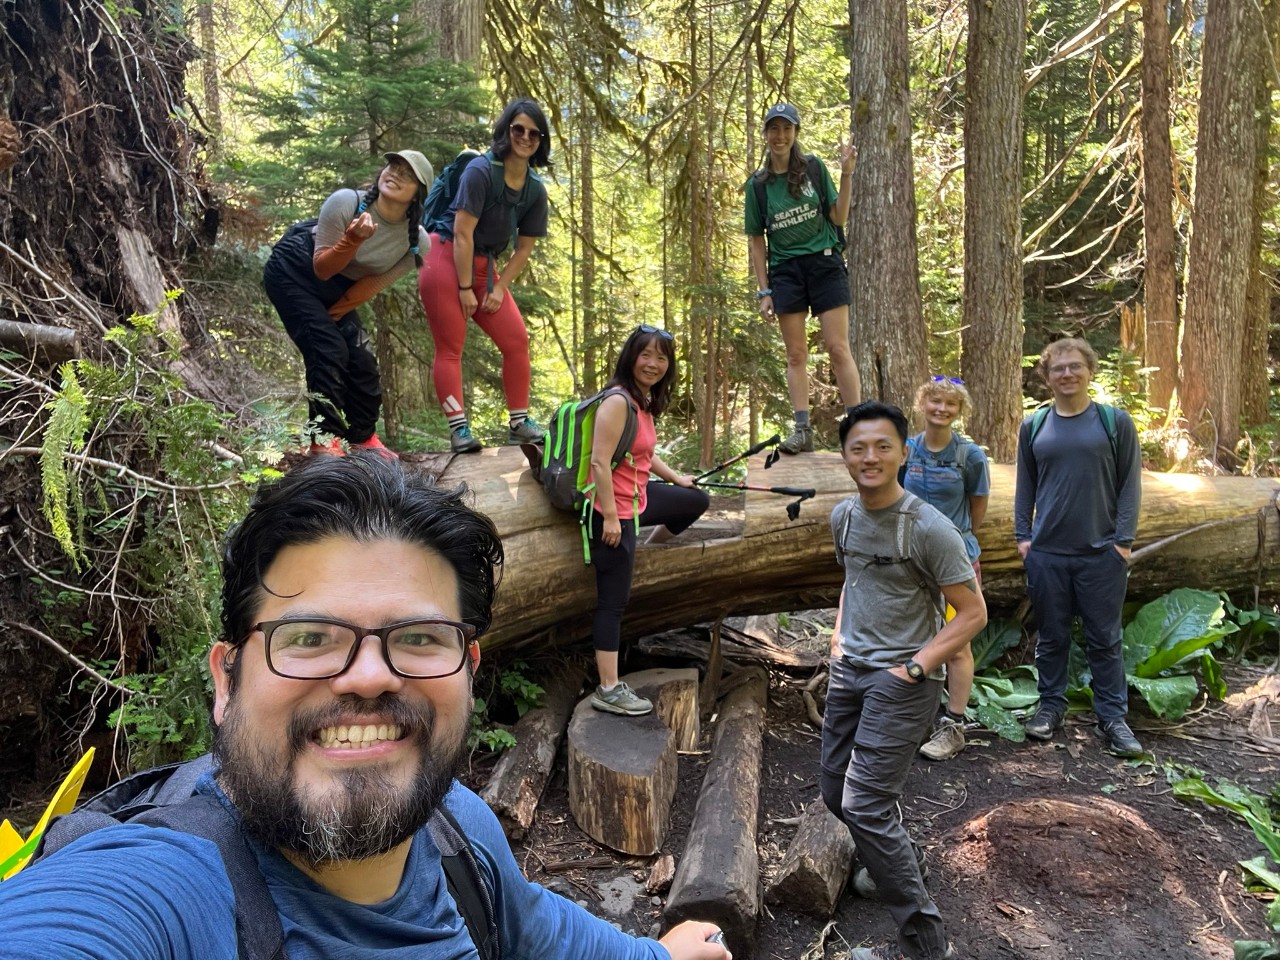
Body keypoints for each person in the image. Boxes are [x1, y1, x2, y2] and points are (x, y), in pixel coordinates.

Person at [0, 454, 732, 960]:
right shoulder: (160, 893)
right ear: (227, 679)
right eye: (311, 636)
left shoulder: (457, 837)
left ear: (467, 671)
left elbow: (544, 933)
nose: (372, 676)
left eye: (417, 638)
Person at [823, 401, 986, 960]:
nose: (870, 457)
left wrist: (917, 666)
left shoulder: (928, 527)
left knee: (865, 803)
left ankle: (924, 938)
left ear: (903, 453)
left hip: (903, 681)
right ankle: (897, 864)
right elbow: (853, 580)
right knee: (833, 789)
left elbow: (972, 613)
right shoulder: (844, 517)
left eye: (882, 446)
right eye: (858, 447)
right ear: (845, 456)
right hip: (851, 671)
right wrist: (838, 637)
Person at [1015, 337, 1144, 758]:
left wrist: (1123, 543)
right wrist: (1023, 538)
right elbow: (1025, 485)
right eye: (1058, 368)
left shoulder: (1114, 422)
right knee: (1051, 637)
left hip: (1102, 553)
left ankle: (1113, 718)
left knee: (1104, 639)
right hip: (1048, 553)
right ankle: (1050, 707)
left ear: (1090, 371)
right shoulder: (1034, 426)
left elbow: (1130, 486)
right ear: (1047, 377)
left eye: (1075, 366)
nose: (1067, 374)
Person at [264, 150, 435, 458]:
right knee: (326, 347)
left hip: (340, 289)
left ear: (418, 194)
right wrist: (353, 239)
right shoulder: (346, 202)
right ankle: (324, 440)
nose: (395, 174)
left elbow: (371, 284)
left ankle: (362, 437)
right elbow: (322, 268)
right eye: (393, 167)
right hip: (295, 269)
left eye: (407, 175)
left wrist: (337, 314)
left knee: (361, 357)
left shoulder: (417, 241)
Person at [587, 325, 710, 717]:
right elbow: (598, 462)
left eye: (662, 357)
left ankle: (650, 547)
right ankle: (607, 687)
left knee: (694, 500)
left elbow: (643, 454)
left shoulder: (642, 403)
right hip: (613, 511)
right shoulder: (618, 401)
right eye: (646, 355)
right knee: (613, 602)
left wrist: (676, 478)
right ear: (631, 357)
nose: (653, 364)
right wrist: (609, 517)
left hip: (636, 500)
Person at [418, 98, 551, 453]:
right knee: (450, 347)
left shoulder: (535, 189)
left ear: (541, 140)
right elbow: (462, 233)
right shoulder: (480, 170)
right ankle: (459, 429)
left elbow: (523, 249)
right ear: (506, 130)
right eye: (518, 129)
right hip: (445, 255)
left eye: (533, 133)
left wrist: (499, 288)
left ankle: (520, 423)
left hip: (485, 268)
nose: (525, 137)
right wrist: (465, 289)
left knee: (516, 340)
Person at [745, 102, 861, 455]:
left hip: (825, 263)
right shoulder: (759, 185)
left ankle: (857, 426)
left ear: (795, 133)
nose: (780, 136)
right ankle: (802, 429)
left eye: (786, 129)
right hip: (786, 272)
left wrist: (846, 173)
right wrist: (764, 290)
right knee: (796, 354)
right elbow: (756, 241)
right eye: (774, 129)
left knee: (838, 347)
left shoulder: (813, 168)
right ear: (766, 134)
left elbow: (838, 218)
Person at [902, 377, 990, 762]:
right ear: (923, 404)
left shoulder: (969, 456)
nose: (941, 409)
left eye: (950, 404)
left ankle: (952, 726)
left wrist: (953, 539)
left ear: (959, 411)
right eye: (934, 401)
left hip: (956, 559)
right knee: (908, 635)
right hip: (911, 558)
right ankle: (908, 717)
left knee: (957, 642)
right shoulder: (907, 450)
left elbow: (978, 510)